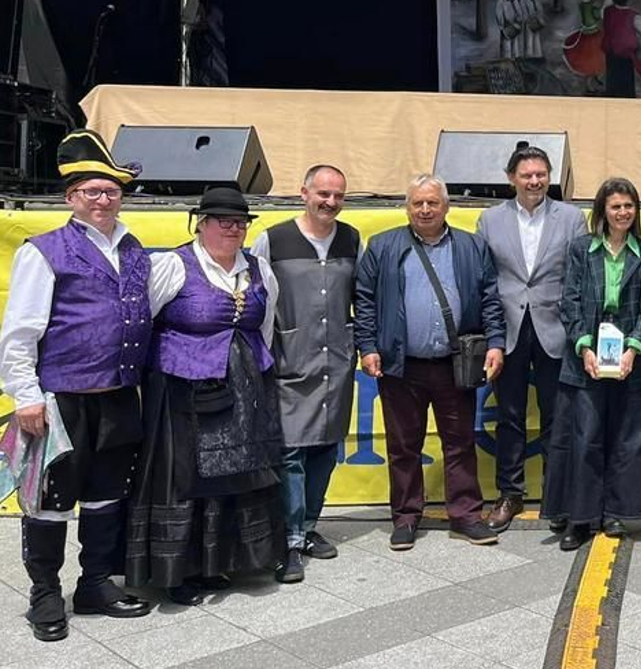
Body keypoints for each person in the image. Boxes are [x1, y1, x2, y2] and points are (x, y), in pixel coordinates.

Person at [0, 130, 154, 641]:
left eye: (111, 191)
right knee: (49, 500)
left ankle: (93, 584)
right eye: (92, 191)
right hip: (60, 398)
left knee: (108, 495)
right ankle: (45, 593)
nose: (104, 200)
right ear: (71, 198)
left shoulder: (134, 250)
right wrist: (24, 395)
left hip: (117, 396)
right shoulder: (44, 251)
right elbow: (21, 331)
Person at [126, 186, 286, 605]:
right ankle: (175, 571)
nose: (233, 229)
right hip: (182, 392)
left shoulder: (259, 269)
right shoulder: (173, 266)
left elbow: (264, 328)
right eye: (224, 222)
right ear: (203, 223)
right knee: (183, 477)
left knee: (233, 472)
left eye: (241, 223)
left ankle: (216, 563)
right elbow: (143, 322)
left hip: (242, 388)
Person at [354, 175, 506, 551]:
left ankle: (466, 515)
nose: (425, 210)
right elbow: (366, 301)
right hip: (401, 365)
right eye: (418, 203)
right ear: (407, 207)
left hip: (455, 364)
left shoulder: (472, 247)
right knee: (403, 445)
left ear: (446, 206)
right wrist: (368, 346)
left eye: (432, 203)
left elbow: (490, 298)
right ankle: (405, 517)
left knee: (460, 442)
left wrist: (497, 343)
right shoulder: (383, 246)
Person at [251, 164, 360, 584]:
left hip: (336, 364)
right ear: (304, 193)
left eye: (337, 195)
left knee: (326, 449)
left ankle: (309, 524)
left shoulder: (351, 238)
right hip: (290, 362)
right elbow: (256, 297)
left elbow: (358, 297)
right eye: (323, 194)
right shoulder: (274, 239)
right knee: (292, 452)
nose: (330, 202)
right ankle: (289, 540)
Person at [475, 146, 588, 531]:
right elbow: (486, 281)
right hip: (507, 329)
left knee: (559, 416)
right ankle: (510, 493)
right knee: (509, 416)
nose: (535, 181)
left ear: (550, 176)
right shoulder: (489, 220)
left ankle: (558, 498)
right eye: (527, 175)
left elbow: (580, 278)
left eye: (541, 174)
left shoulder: (572, 218)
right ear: (511, 178)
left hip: (556, 328)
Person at [548, 177, 641, 552]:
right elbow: (570, 300)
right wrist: (584, 348)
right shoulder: (582, 249)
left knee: (624, 441)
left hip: (629, 360)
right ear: (602, 211)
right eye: (616, 206)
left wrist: (633, 348)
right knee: (583, 439)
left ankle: (615, 511)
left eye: (629, 206)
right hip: (587, 360)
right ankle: (580, 519)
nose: (623, 213)